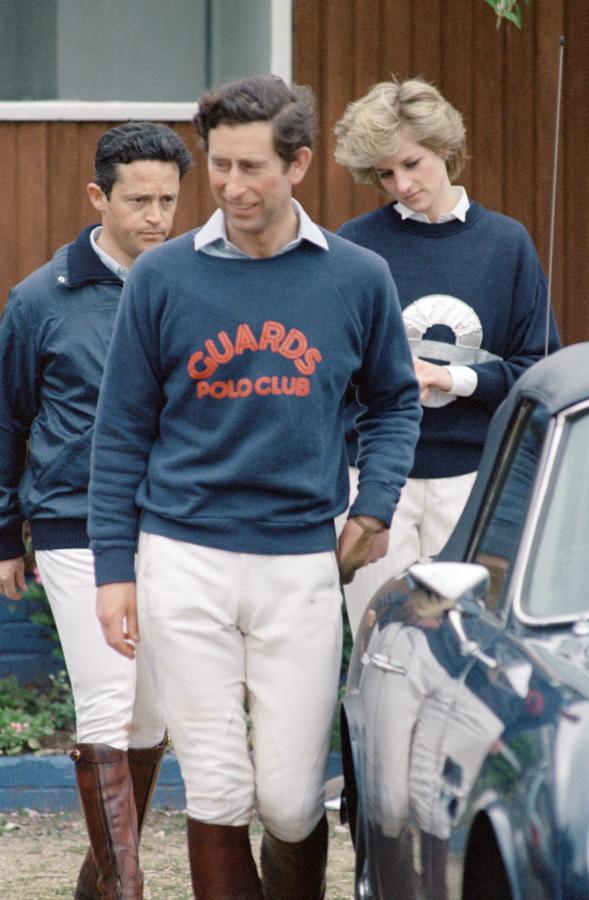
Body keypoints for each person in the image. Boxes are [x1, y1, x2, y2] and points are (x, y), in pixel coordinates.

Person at [87, 75, 421, 899]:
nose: (232, 187)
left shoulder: (357, 277)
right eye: (220, 167)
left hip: (299, 561)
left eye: (252, 168)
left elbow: (395, 399)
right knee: (218, 788)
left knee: (291, 798)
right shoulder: (162, 279)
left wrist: (374, 504)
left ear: (298, 164)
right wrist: (113, 571)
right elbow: (121, 430)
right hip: (182, 555)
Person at [0, 121, 192, 899]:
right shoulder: (40, 299)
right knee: (110, 706)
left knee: (149, 720)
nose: (156, 216)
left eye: (169, 201)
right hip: (74, 522)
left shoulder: (188, 284)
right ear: (97, 198)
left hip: (173, 525)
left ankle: (99, 885)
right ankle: (127, 891)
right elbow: (6, 419)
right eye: (139, 200)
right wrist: (5, 532)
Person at [334, 77, 561, 635]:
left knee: (467, 647)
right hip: (370, 479)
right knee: (375, 645)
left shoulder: (506, 244)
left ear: (445, 148)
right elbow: (327, 374)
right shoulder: (356, 244)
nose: (402, 184)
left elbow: (539, 370)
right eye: (385, 174)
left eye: (412, 163)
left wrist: (450, 377)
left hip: (474, 480)